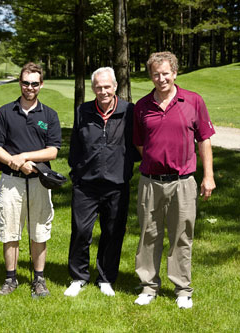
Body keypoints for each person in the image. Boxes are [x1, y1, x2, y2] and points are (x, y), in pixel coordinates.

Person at [133, 52, 216, 309]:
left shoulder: (193, 101)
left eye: (165, 73)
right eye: (156, 74)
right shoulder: (142, 105)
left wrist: (208, 176)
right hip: (150, 182)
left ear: (175, 73)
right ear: (151, 76)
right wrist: (154, 160)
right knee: (149, 235)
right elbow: (138, 143)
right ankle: (148, 286)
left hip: (183, 181)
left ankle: (182, 289)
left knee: (182, 236)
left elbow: (204, 139)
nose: (161, 78)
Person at [0, 62, 61, 298]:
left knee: (39, 230)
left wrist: (25, 157)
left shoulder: (49, 115)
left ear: (41, 85)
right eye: (26, 83)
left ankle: (39, 279)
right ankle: (10, 279)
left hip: (39, 180)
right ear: (20, 83)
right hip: (11, 181)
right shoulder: (5, 112)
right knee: (9, 230)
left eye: (34, 83)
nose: (30, 87)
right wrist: (14, 162)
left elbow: (53, 151)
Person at [64, 67, 139, 297]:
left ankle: (106, 277)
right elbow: (75, 147)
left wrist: (124, 169)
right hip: (86, 184)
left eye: (107, 86)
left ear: (115, 86)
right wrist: (76, 173)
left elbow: (137, 146)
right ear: (93, 88)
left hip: (117, 184)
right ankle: (78, 277)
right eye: (98, 87)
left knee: (113, 231)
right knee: (81, 231)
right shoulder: (82, 111)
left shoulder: (129, 111)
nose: (103, 91)